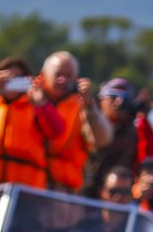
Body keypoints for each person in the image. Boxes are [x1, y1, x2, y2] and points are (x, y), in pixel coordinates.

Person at [0, 56, 66, 189]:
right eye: (7, 78)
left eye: (18, 77)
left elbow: (57, 131)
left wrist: (41, 102)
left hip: (24, 189)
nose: (12, 81)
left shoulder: (36, 108)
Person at [35, 51, 112, 194]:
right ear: (43, 74)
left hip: (64, 192)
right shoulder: (26, 99)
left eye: (68, 76)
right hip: (28, 187)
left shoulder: (81, 105)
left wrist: (89, 105)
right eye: (58, 74)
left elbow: (103, 139)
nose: (62, 80)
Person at [82, 75, 153, 199]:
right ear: (101, 100)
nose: (118, 102)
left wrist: (143, 118)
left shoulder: (137, 132)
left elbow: (151, 162)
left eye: (125, 98)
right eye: (112, 96)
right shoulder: (88, 124)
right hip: (89, 197)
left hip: (125, 198)